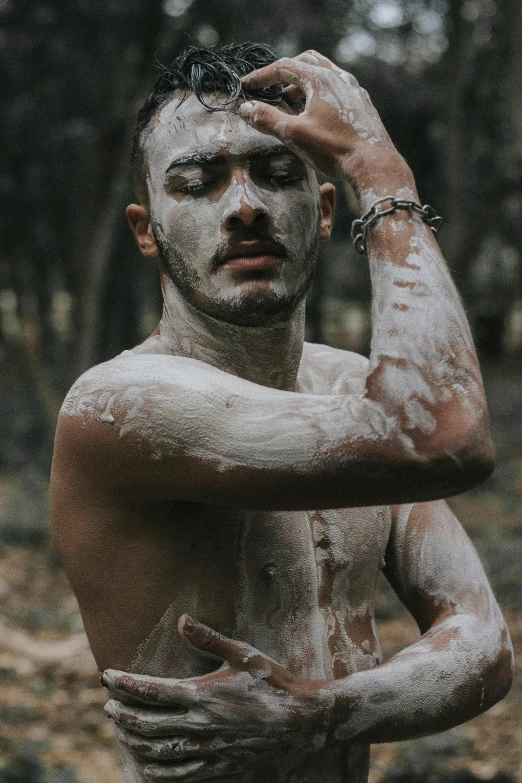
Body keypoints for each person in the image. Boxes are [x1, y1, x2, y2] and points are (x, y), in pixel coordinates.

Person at [50, 43, 512, 783]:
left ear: (323, 211)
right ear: (147, 230)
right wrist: (384, 176)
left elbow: (484, 644)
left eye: (277, 174)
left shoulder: (353, 389)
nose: (245, 208)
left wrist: (317, 712)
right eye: (198, 183)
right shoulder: (120, 409)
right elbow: (445, 437)